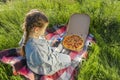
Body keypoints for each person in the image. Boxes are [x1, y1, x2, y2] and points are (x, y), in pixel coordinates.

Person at [19, 9, 72, 75]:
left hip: (41, 57)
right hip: (43, 68)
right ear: (36, 30)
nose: (45, 31)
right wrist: (56, 57)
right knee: (68, 59)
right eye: (44, 29)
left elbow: (42, 42)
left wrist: (50, 43)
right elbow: (47, 61)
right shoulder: (36, 49)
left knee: (63, 54)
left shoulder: (29, 33)